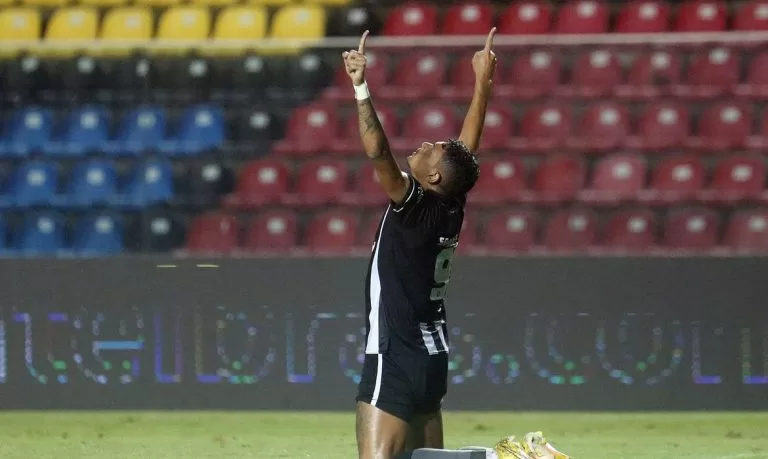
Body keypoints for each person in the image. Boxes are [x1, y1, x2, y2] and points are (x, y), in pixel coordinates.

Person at [342, 28, 497, 459]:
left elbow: (377, 152)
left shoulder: (413, 205)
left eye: (434, 149)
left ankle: (496, 458)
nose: (427, 143)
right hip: (433, 355)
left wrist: (359, 86)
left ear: (431, 178)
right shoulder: (452, 201)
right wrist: (482, 84)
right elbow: (466, 152)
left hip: (395, 352)